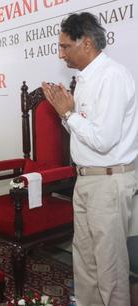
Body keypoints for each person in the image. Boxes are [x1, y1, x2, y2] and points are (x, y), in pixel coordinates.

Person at [41, 12, 138, 306]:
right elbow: (86, 129)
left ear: (85, 43)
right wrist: (67, 114)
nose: (61, 54)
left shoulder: (112, 76)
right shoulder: (85, 78)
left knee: (109, 267)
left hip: (108, 180)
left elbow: (104, 140)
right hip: (87, 180)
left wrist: (67, 114)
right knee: (85, 261)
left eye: (65, 46)